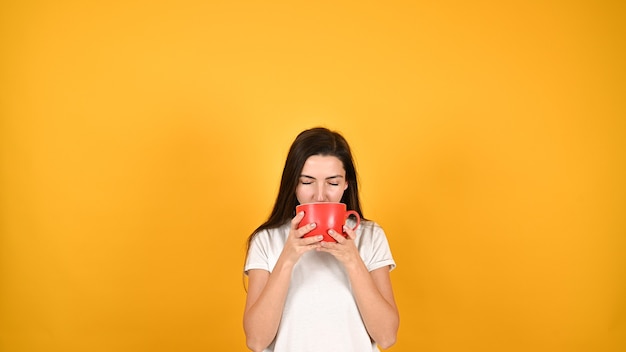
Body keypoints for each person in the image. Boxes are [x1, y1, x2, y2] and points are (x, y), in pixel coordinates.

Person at [243, 127, 399, 352]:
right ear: (293, 184)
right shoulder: (266, 240)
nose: (320, 195)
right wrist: (287, 258)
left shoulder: (371, 237)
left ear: (346, 184)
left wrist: (352, 260)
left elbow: (386, 337)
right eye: (307, 182)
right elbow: (256, 341)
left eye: (333, 183)